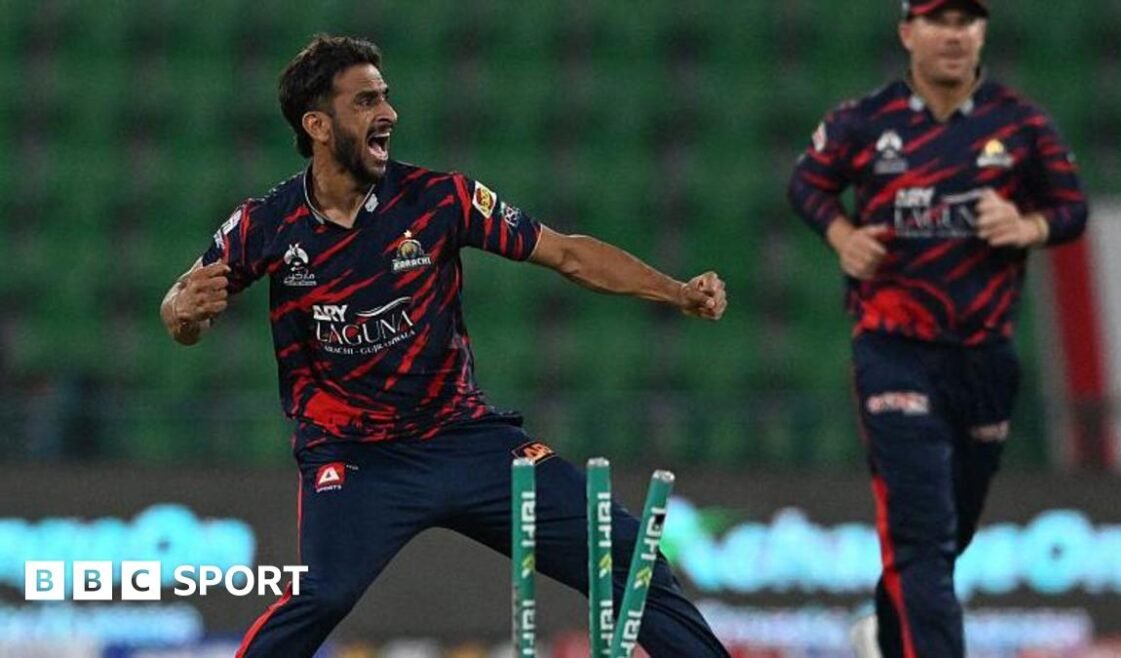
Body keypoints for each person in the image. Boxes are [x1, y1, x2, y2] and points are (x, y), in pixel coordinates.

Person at [160, 35, 730, 658]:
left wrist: (675, 292)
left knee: (625, 555)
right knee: (320, 595)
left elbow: (566, 252)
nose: (389, 113)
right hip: (355, 457)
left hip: (465, 440)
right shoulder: (265, 223)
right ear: (317, 124)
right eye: (366, 101)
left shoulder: (439, 199)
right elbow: (181, 308)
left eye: (387, 96)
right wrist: (183, 314)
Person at [787, 1, 1087, 657]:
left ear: (981, 32)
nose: (954, 35)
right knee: (920, 533)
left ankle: (886, 638)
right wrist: (842, 235)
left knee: (948, 532)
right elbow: (807, 183)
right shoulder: (864, 121)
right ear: (907, 32)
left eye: (967, 21)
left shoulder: (1021, 123)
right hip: (893, 349)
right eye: (938, 20)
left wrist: (1026, 226)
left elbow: (1071, 207)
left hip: (984, 356)